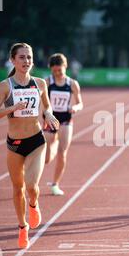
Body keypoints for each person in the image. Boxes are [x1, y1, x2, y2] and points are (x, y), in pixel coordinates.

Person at [0, 43, 59, 249]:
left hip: (36, 140)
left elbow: (46, 105)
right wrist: (11, 107)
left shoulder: (39, 84)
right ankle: (22, 227)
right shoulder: (5, 86)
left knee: (31, 186)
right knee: (18, 189)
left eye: (29, 57)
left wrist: (48, 113)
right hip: (14, 145)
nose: (26, 61)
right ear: (12, 60)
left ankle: (34, 205)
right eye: (22, 57)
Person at [44, 53, 83, 196]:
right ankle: (53, 143)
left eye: (59, 70)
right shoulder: (47, 82)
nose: (57, 73)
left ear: (65, 67)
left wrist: (75, 108)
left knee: (62, 153)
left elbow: (80, 103)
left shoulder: (72, 84)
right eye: (54, 71)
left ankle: (55, 184)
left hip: (66, 119)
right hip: (50, 119)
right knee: (47, 158)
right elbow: (41, 100)